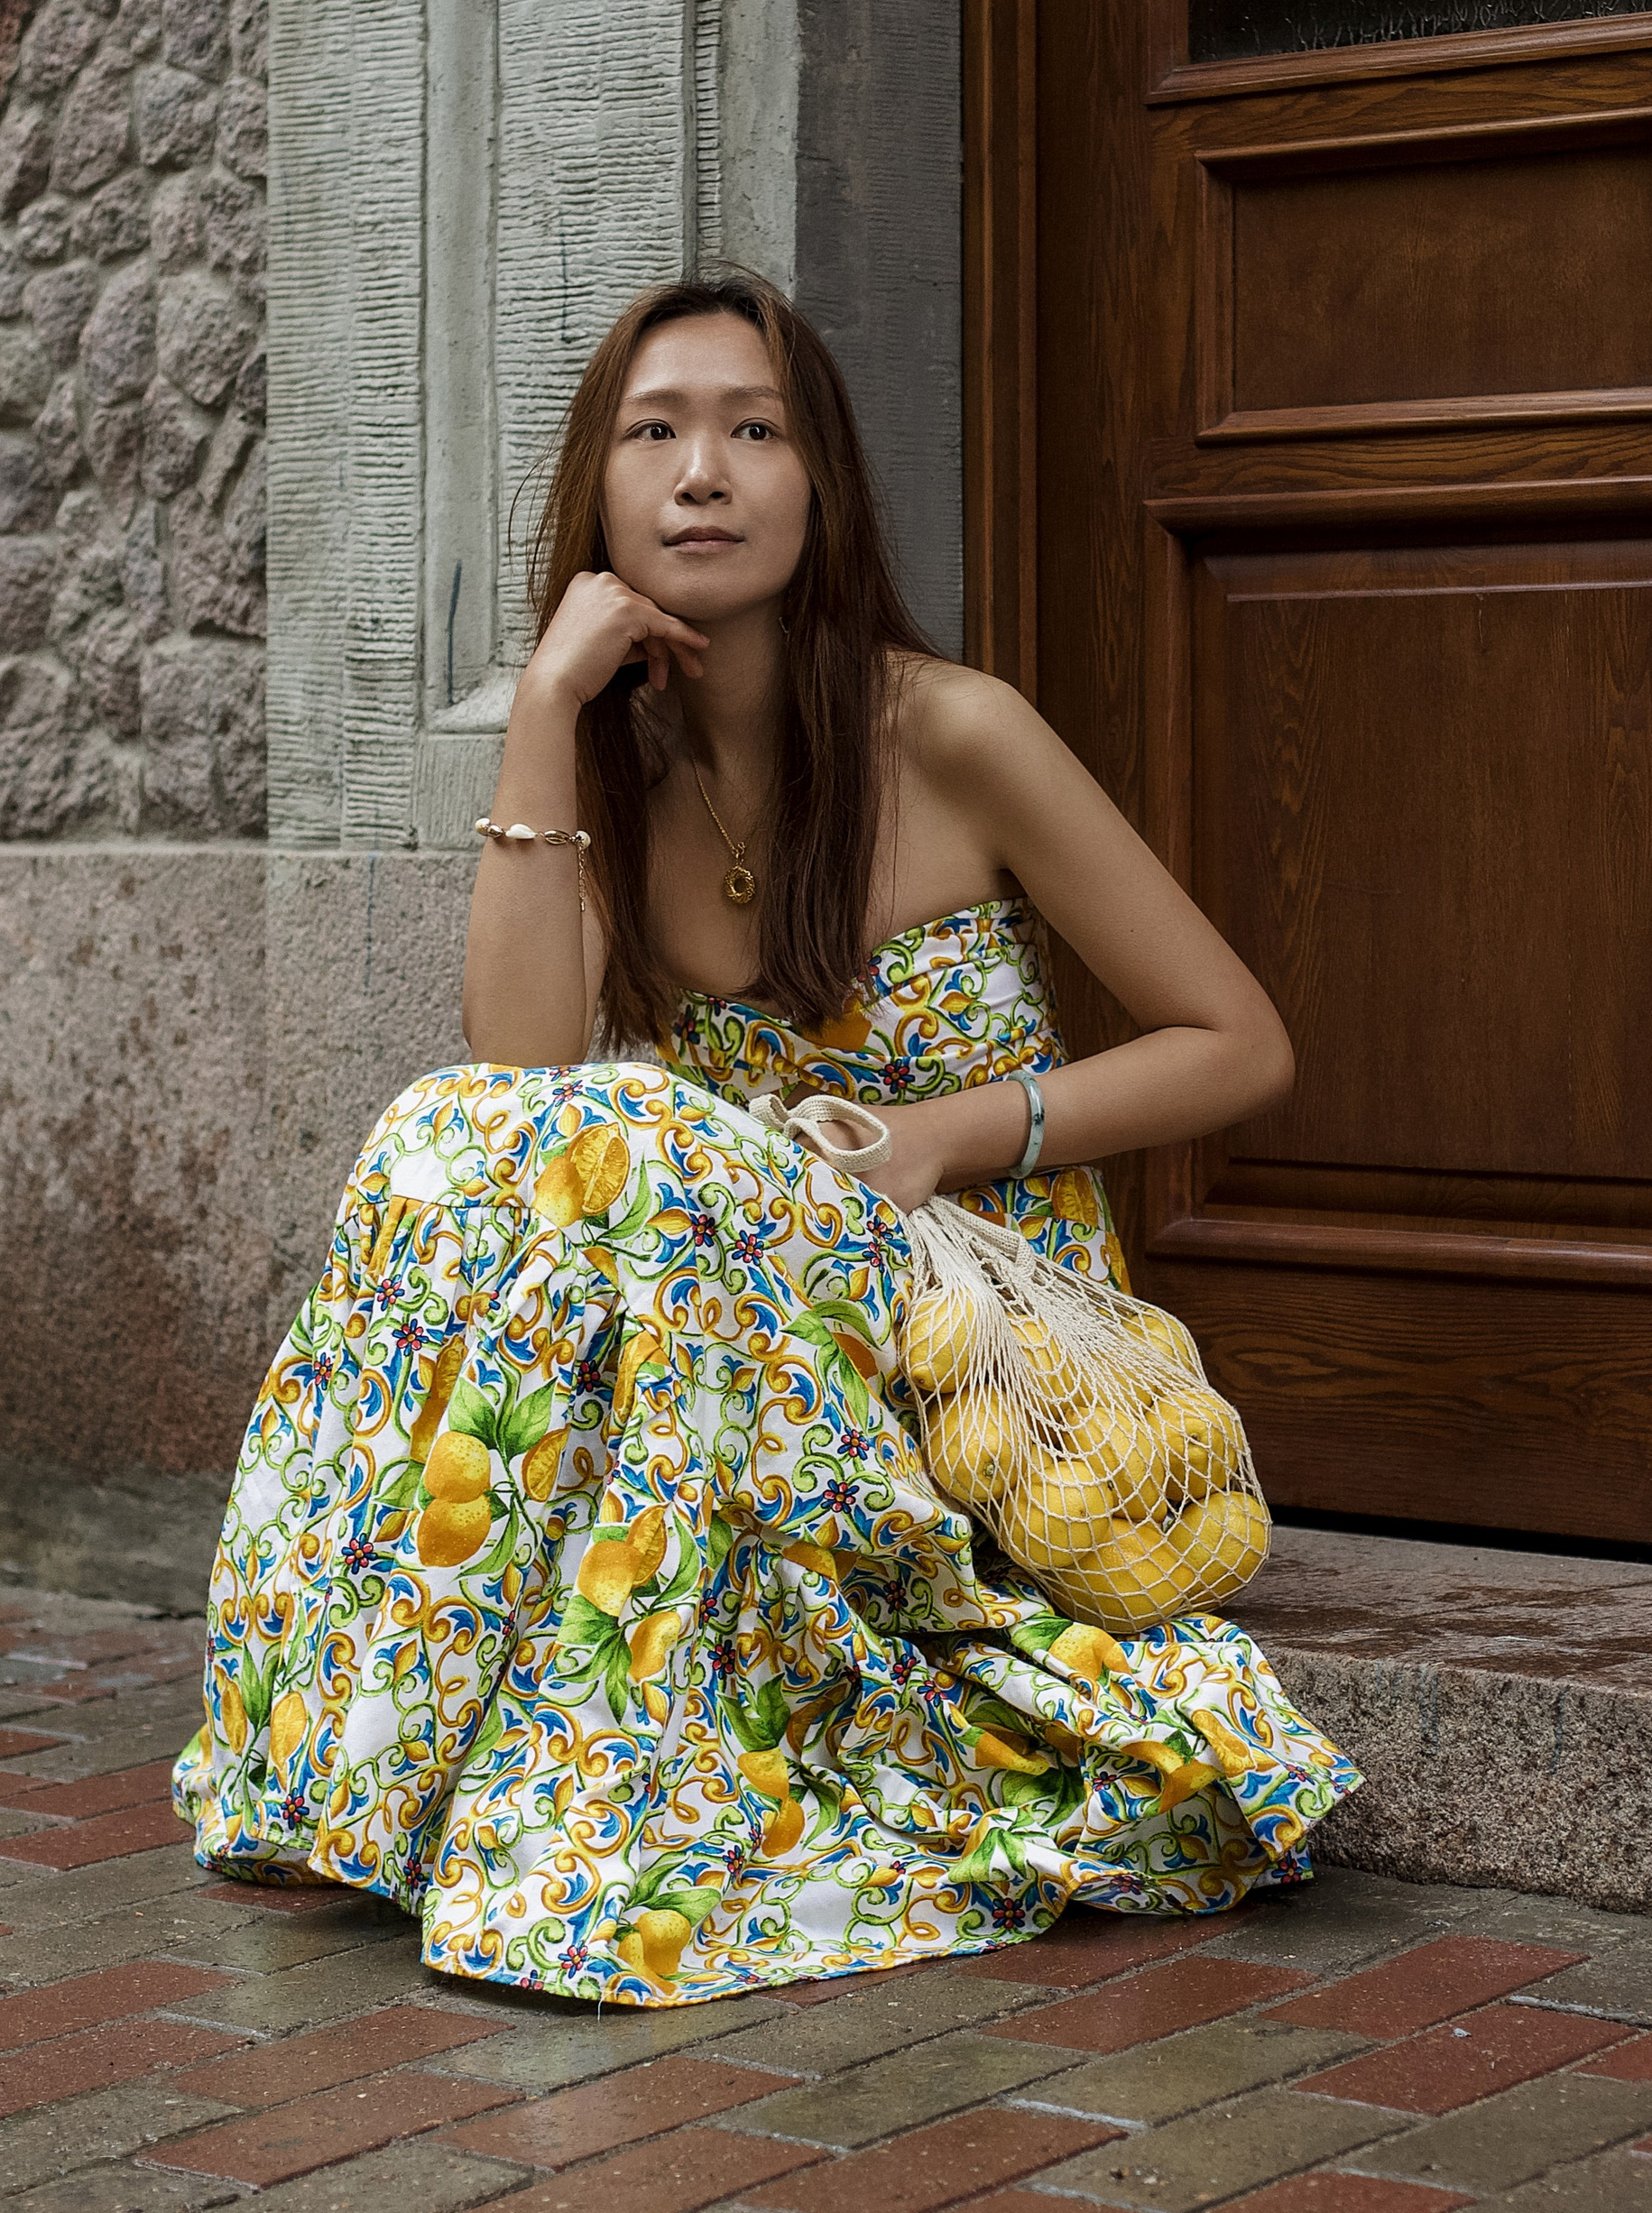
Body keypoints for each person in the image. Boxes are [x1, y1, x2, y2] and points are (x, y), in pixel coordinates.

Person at [173, 273, 1357, 2003]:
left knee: (610, 1145)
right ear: (599, 493)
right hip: (722, 1310)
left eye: (752, 428)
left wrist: (945, 1139)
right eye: (655, 432)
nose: (703, 471)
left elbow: (1239, 1041)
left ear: (821, 487)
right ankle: (349, 1755)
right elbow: (510, 1069)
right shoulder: (619, 769)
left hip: (959, 1318)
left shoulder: (949, 731)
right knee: (468, 1133)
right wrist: (541, 713)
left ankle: (550, 1793)